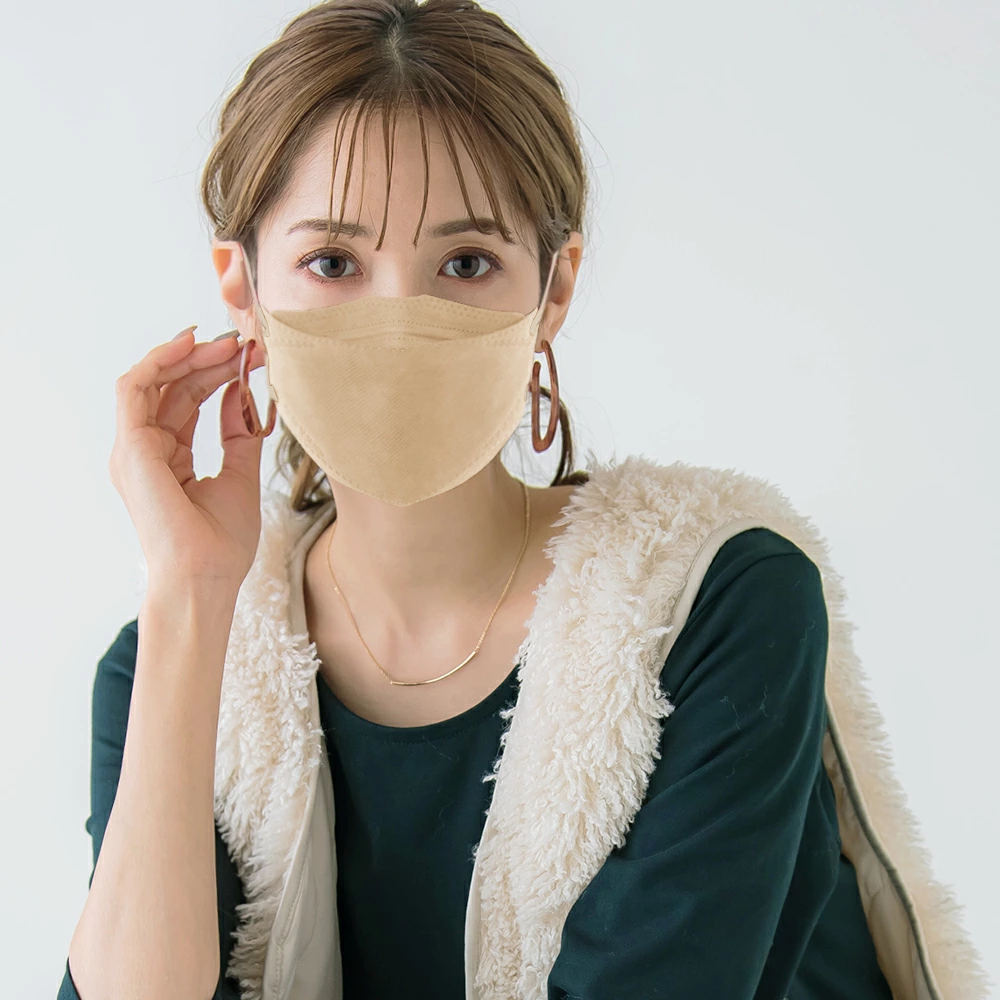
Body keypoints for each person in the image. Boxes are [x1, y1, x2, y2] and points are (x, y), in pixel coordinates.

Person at [57, 1, 989, 999]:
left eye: (465, 263)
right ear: (242, 289)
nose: (400, 321)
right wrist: (191, 593)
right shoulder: (171, 665)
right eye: (332, 263)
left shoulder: (711, 603)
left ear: (554, 291)